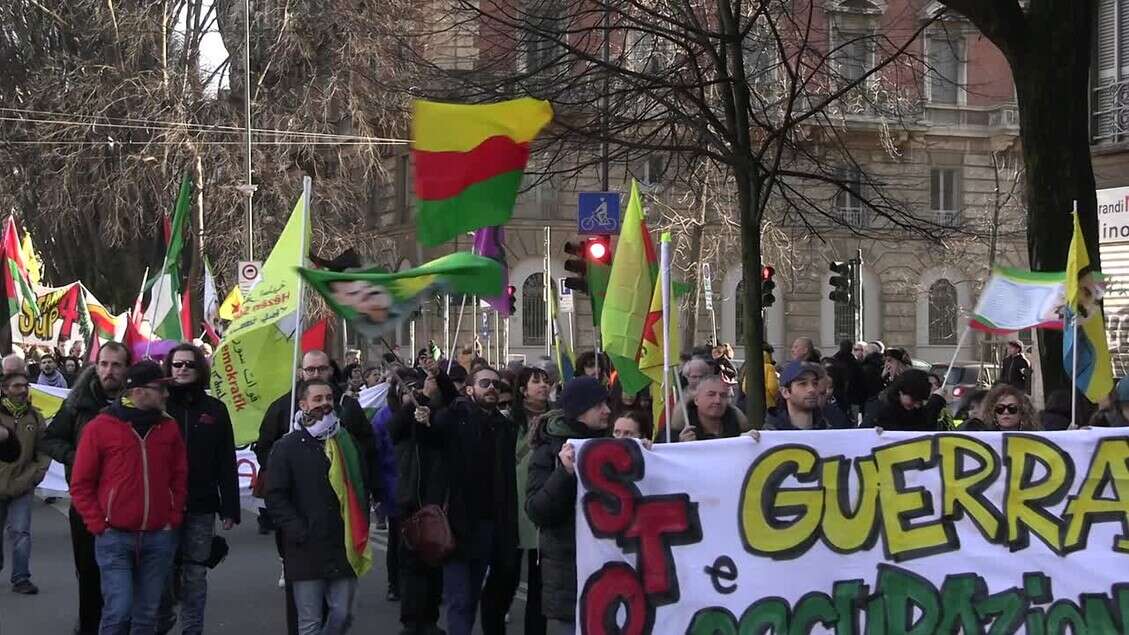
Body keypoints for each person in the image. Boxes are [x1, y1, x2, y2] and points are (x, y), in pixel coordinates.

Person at [254, 350, 377, 633]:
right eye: (317, 399)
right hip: (305, 546)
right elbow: (276, 494)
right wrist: (297, 529)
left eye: (328, 399)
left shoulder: (345, 440)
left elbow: (363, 476)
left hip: (342, 541)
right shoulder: (286, 445)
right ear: (303, 403)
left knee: (343, 615)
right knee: (308, 622)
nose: (324, 404)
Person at [70, 361, 187, 635]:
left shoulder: (168, 428)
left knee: (147, 616)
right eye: (161, 388)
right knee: (118, 611)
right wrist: (99, 524)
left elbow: (179, 475)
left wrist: (174, 515)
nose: (166, 395)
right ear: (139, 392)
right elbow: (80, 484)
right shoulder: (101, 427)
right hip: (114, 537)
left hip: (158, 536)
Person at [417, 366, 519, 635]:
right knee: (460, 601)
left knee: (477, 599)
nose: (492, 388)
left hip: (493, 526)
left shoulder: (504, 426)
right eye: (485, 383)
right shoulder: (455, 417)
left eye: (497, 384)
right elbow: (432, 436)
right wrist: (425, 414)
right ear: (470, 389)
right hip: (459, 525)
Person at [42, 341, 131, 634]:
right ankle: (89, 625)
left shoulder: (138, 402)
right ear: (96, 366)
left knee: (126, 572)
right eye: (104, 364)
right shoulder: (78, 403)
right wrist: (77, 458)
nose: (109, 371)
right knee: (89, 571)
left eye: (116, 365)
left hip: (127, 503)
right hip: (86, 502)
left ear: (126, 369)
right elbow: (51, 439)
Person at [156, 344, 240, 635]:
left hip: (202, 506)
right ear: (168, 368)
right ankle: (161, 624)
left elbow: (226, 460)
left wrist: (230, 507)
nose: (182, 369)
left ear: (199, 369)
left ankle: (192, 630)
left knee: (195, 574)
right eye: (177, 364)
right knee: (162, 574)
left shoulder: (215, 410)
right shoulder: (158, 407)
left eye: (188, 365)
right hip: (162, 507)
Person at [526, 376, 612, 635]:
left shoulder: (611, 444)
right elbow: (536, 511)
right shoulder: (549, 452)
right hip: (568, 575)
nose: (607, 410)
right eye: (599, 405)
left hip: (609, 572)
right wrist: (563, 473)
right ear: (580, 410)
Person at [389, 363, 456, 635]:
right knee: (412, 565)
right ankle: (412, 622)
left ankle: (429, 619)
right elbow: (396, 429)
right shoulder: (404, 417)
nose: (415, 395)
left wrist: (438, 381)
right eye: (411, 391)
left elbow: (454, 403)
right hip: (411, 501)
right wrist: (422, 399)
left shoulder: (443, 417)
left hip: (438, 501)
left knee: (434, 563)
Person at [509, 366, 551, 635]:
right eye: (536, 382)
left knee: (539, 583)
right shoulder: (511, 420)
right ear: (523, 390)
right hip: (515, 502)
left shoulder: (557, 418)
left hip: (544, 500)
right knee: (508, 575)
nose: (543, 386)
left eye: (546, 381)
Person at [0, 370, 50, 595]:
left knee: (21, 532)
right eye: (16, 386)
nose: (22, 390)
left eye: (24, 386)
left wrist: (36, 474)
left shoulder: (35, 417)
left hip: (23, 485)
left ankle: (21, 578)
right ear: (4, 390)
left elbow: (44, 450)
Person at [763, 361, 849, 430]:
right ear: (785, 392)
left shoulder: (833, 425)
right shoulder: (770, 433)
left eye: (815, 383)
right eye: (803, 384)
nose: (812, 389)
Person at [863, 369, 938, 431]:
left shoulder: (916, 411)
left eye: (920, 401)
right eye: (913, 399)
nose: (916, 405)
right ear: (900, 392)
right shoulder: (880, 410)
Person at [678, 376, 747, 441]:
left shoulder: (736, 421)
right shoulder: (684, 426)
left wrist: (747, 439)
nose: (718, 400)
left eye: (723, 395)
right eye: (711, 394)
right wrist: (682, 446)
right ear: (696, 400)